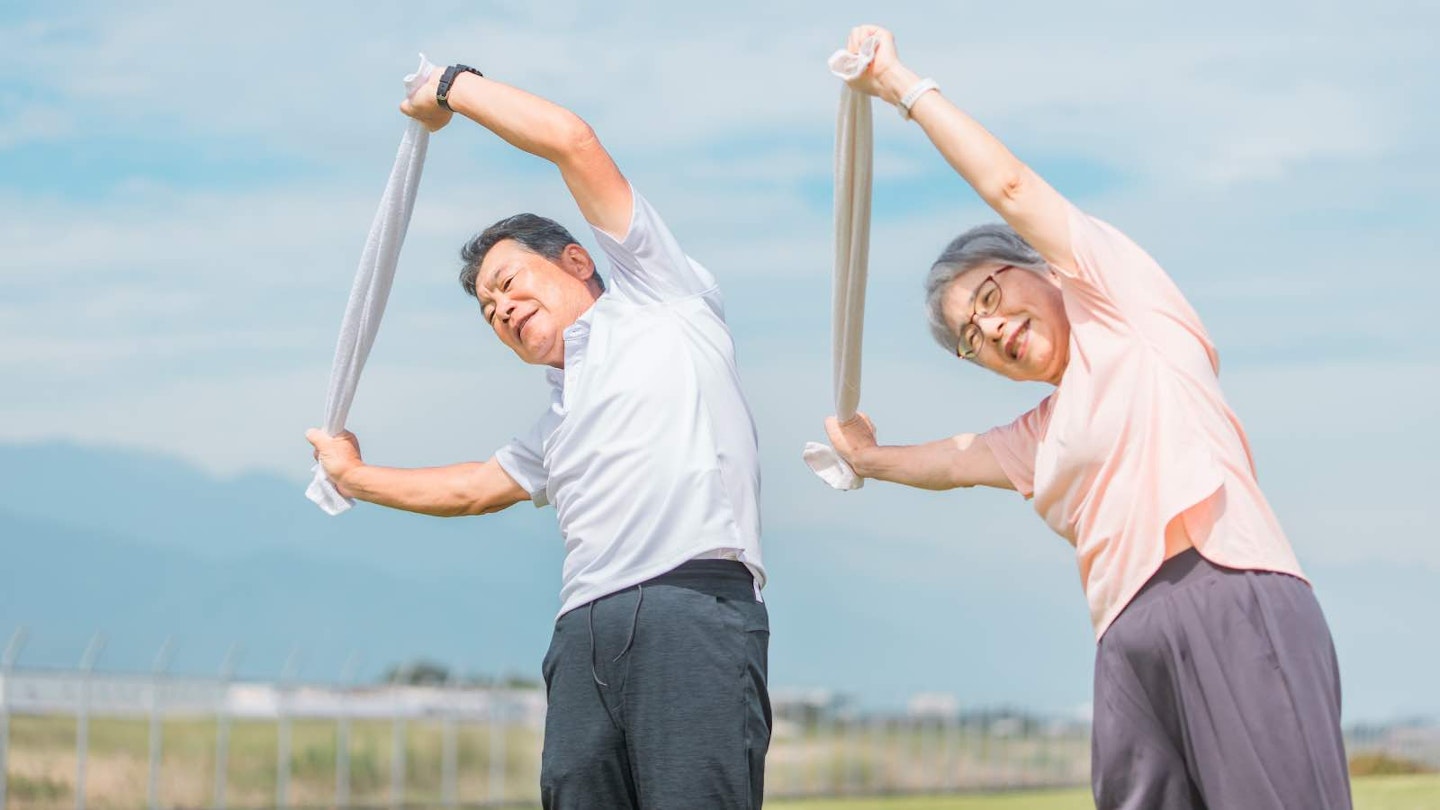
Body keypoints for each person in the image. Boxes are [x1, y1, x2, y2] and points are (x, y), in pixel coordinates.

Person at [823, 25, 1351, 810]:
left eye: (991, 298)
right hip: (1125, 638)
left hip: (1225, 585)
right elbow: (956, 462)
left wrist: (900, 85)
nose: (993, 330)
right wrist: (869, 459)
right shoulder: (1044, 433)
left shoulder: (1123, 306)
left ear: (1037, 268)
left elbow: (1010, 190)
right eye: (973, 338)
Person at [306, 62, 770, 809]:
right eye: (489, 310)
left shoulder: (660, 297)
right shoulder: (557, 419)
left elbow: (572, 143)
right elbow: (470, 488)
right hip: (583, 632)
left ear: (578, 262)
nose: (502, 310)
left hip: (692, 608)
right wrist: (353, 477)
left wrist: (453, 86)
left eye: (509, 283)